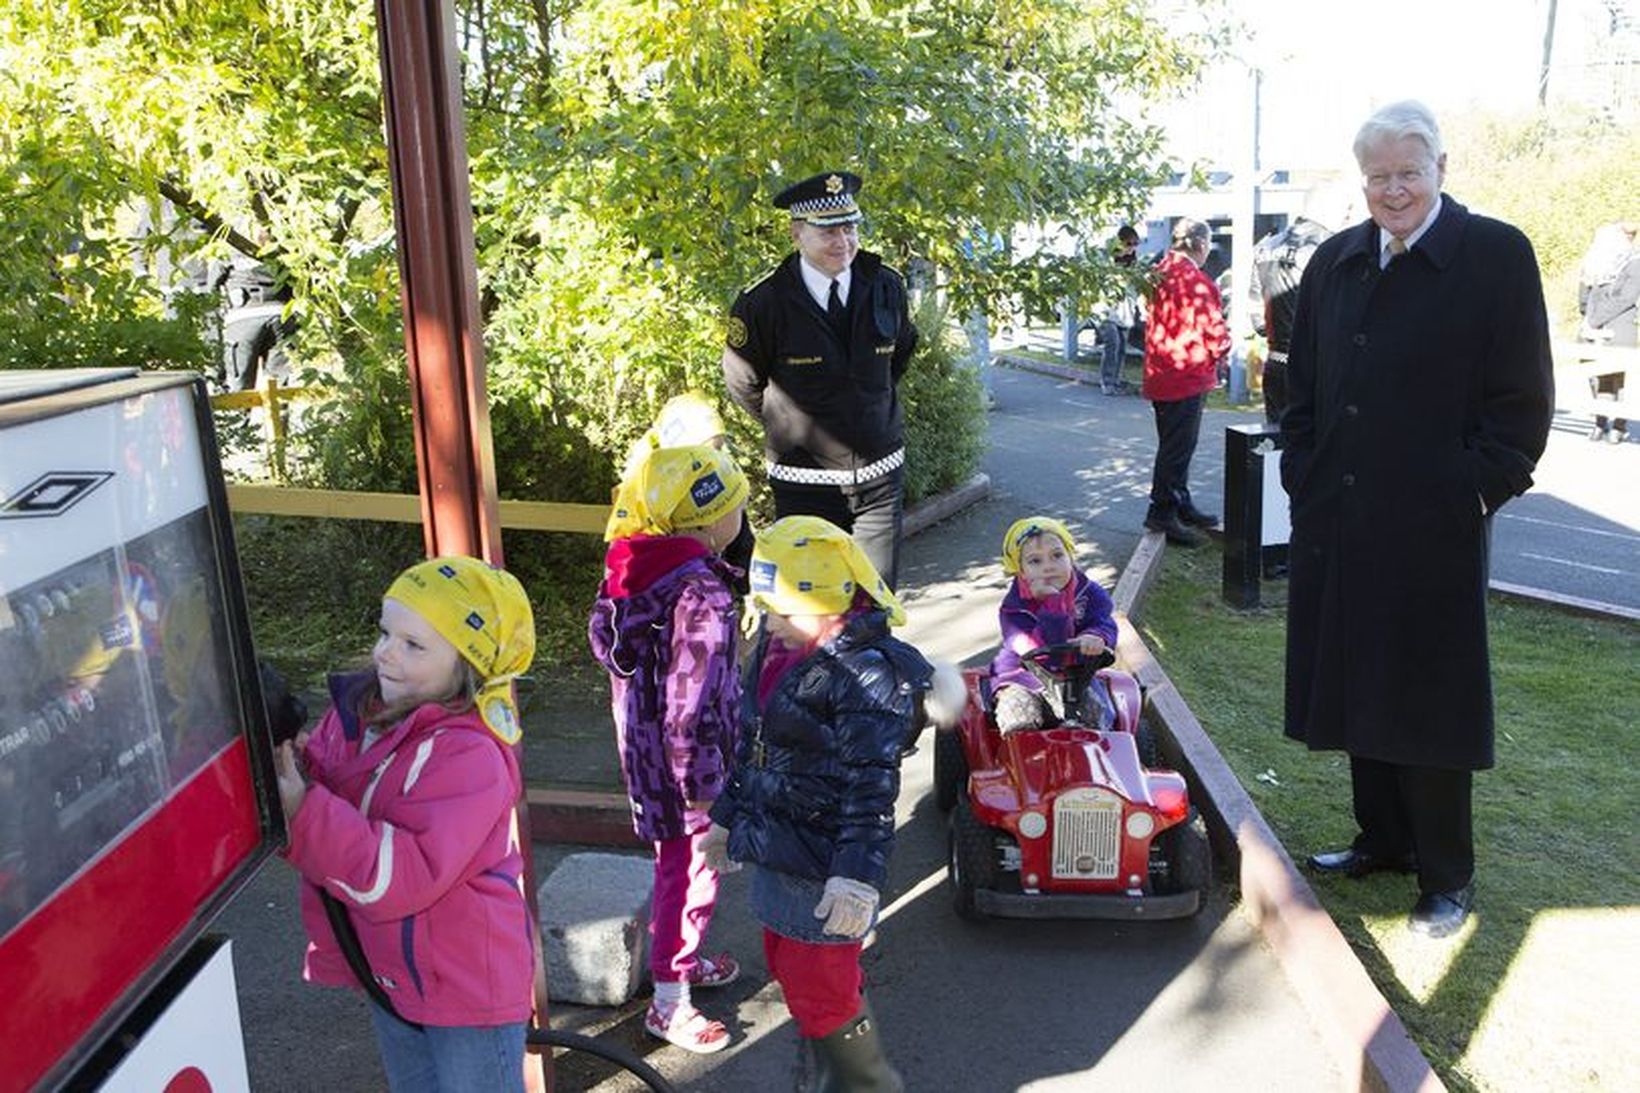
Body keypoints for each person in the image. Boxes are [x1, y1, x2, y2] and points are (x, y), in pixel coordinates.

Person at [1281, 101, 1554, 940]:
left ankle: (1446, 875)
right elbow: (1301, 385)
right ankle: (1383, 840)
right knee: (1361, 680)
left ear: (1442, 166)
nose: (1392, 191)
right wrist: (1304, 474)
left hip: (1433, 521)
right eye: (1377, 177)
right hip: (1342, 514)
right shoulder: (1336, 258)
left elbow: (1523, 404)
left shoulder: (1495, 255)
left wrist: (1473, 493)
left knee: (1428, 698)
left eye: (1408, 172)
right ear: (1360, 179)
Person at [704, 516, 955, 1091]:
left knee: (823, 991)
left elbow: (871, 787)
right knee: (795, 971)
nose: (768, 621)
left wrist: (856, 879)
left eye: (782, 610)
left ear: (831, 602)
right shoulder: (780, 647)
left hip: (823, 864)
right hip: (779, 846)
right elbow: (752, 744)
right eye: (764, 606)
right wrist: (726, 817)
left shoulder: (862, 677)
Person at [272, 556, 537, 1092]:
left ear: (468, 665)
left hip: (467, 992)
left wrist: (302, 811)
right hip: (391, 973)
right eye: (386, 632)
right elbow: (343, 787)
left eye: (414, 645)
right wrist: (298, 770)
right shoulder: (360, 712)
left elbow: (402, 874)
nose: (384, 653)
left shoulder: (470, 757)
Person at [588, 444, 750, 1054]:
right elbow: (695, 701)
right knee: (691, 877)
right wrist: (704, 785)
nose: (741, 516)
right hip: (689, 772)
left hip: (646, 756)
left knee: (674, 870)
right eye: (736, 505)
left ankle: (680, 961)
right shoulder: (701, 595)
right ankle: (669, 1001)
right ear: (710, 522)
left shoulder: (632, 569)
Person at [721, 171, 919, 588]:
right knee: (808, 611)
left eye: (849, 227)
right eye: (827, 230)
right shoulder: (763, 302)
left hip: (880, 479)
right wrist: (792, 422)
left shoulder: (885, 286)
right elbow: (743, 382)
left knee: (875, 603)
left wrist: (865, 408)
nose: (842, 241)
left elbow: (897, 358)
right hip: (803, 485)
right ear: (796, 233)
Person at [1141, 217, 1230, 547]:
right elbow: (1214, 332)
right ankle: (1162, 511)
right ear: (1201, 245)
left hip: (1161, 372)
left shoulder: (1158, 271)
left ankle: (1179, 501)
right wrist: (1222, 354)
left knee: (1171, 444)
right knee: (1178, 448)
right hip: (1187, 375)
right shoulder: (1197, 281)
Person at [989, 516, 1119, 733]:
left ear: (1070, 556)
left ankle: (1095, 762)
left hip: (1077, 677)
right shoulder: (1013, 610)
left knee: (1098, 717)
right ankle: (1027, 763)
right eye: (1035, 561)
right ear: (1020, 570)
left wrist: (1096, 636)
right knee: (1019, 718)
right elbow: (1045, 654)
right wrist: (1053, 604)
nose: (1048, 567)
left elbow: (1104, 622)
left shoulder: (1091, 594)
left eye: (1057, 555)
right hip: (1024, 677)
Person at [614, 391, 756, 588]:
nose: (713, 462)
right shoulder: (649, 498)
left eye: (718, 449)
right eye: (706, 454)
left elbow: (743, 547)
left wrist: (749, 590)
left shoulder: (719, 486)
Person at [1248, 186, 1352, 423]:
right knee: (1320, 450)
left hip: (1275, 364)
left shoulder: (1266, 247)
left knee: (1277, 449)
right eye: (1346, 210)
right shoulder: (1331, 247)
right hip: (1318, 368)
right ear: (1328, 209)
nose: (1348, 218)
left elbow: (1257, 319)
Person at [1576, 223, 1639, 443]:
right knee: (1595, 375)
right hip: (1593, 325)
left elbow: (1625, 298)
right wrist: (1588, 319)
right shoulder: (1599, 264)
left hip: (1620, 325)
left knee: (1618, 379)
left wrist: (1595, 319)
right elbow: (1588, 292)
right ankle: (1600, 422)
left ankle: (1619, 426)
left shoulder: (1634, 262)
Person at [1097, 226, 1142, 396]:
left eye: (1134, 245)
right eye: (1128, 243)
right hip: (1106, 312)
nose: (1131, 248)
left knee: (1121, 348)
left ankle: (1115, 381)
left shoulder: (1132, 266)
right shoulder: (1105, 261)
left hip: (1124, 313)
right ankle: (1107, 382)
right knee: (1112, 344)